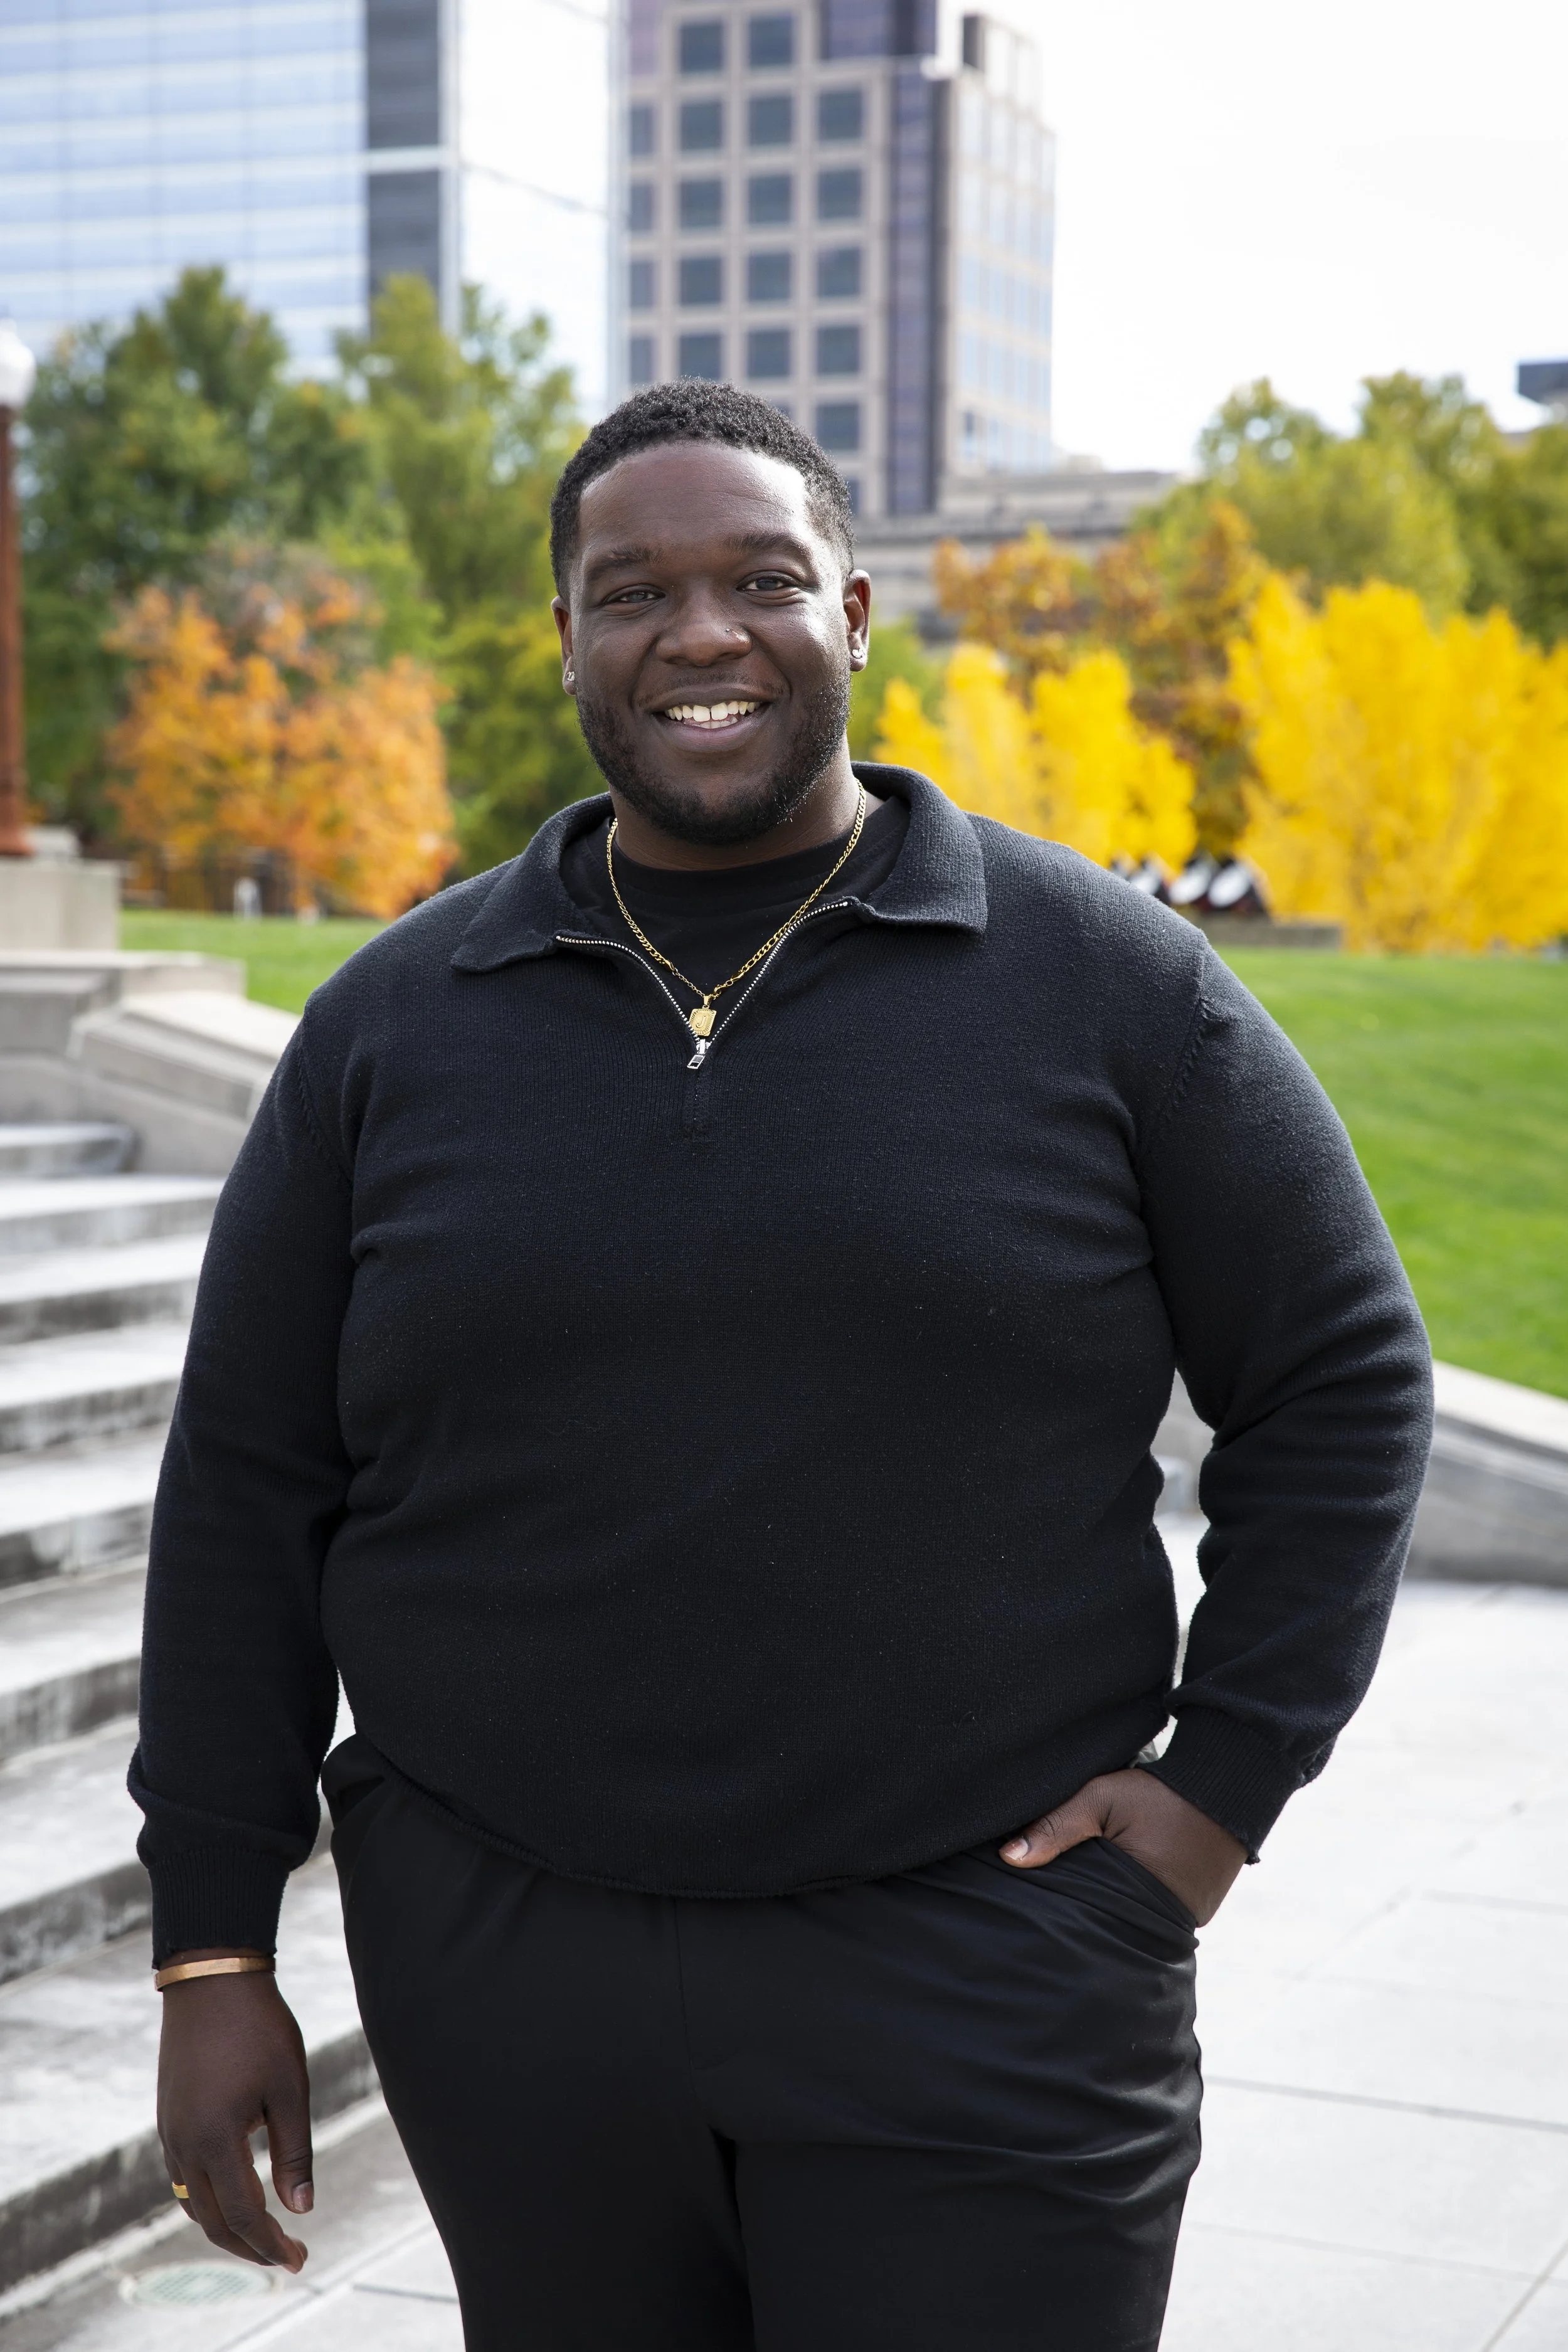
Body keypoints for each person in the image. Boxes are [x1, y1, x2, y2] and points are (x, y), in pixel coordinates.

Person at [134, 383, 1432, 2351]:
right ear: (563, 636)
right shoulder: (394, 1024)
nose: (701, 631)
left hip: (980, 1963)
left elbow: (1339, 1374)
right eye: (630, 587)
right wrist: (214, 1939)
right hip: (506, 1962)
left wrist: (1212, 1792)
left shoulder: (1104, 981)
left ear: (848, 610)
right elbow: (244, 1481)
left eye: (761, 578)